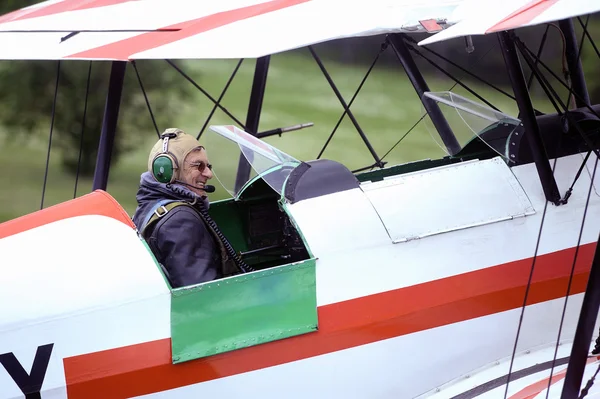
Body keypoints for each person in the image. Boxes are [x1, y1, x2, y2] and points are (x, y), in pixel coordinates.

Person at [132, 128, 238, 288]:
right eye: (199, 166)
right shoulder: (181, 220)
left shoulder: (148, 207)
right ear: (167, 171)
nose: (209, 174)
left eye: (208, 166)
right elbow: (202, 293)